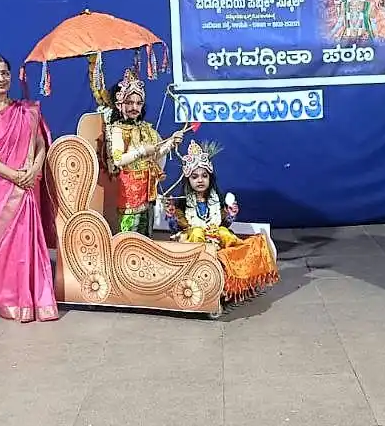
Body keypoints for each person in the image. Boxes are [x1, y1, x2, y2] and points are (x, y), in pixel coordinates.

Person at [0, 54, 59, 323]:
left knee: (29, 242)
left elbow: (40, 143)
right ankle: (11, 302)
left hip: (27, 184)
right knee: (2, 246)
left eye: (4, 73)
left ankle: (37, 300)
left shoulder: (25, 111)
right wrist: (14, 175)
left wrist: (36, 168)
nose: (1, 79)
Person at [167, 140, 280, 304]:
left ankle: (235, 263)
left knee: (223, 232)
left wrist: (230, 214)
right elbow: (176, 228)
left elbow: (224, 224)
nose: (200, 180)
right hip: (193, 243)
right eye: (195, 176)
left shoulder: (216, 200)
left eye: (204, 176)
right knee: (198, 232)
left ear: (210, 178)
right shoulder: (182, 202)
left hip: (216, 240)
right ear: (188, 180)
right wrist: (171, 215)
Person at [104, 67, 184, 235]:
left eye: (138, 103)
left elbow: (156, 153)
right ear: (120, 105)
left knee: (146, 235)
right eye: (129, 102)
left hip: (148, 190)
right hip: (129, 192)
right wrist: (141, 151)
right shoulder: (118, 129)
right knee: (130, 236)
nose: (134, 107)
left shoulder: (147, 129)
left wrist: (170, 143)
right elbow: (118, 159)